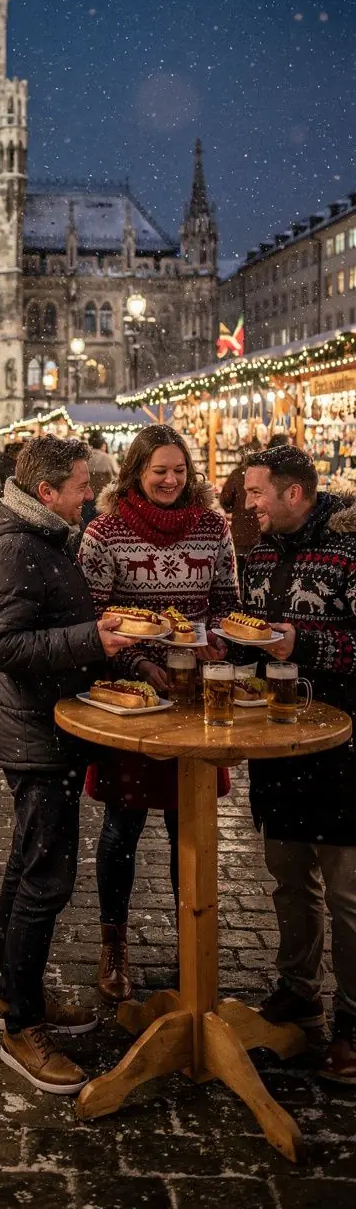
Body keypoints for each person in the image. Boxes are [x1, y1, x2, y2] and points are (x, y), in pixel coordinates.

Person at [0, 435, 134, 1094]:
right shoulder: (18, 542)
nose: (89, 495)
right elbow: (0, 643)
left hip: (46, 727)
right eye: (80, 485)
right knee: (46, 877)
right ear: (47, 492)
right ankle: (22, 1031)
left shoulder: (40, 530)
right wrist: (92, 638)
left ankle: (17, 996)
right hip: (37, 732)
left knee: (28, 865)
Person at [79, 424, 239, 1003]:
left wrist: (217, 642)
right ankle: (113, 942)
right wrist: (146, 664)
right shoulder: (104, 533)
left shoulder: (212, 528)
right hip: (134, 701)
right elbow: (95, 613)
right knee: (122, 825)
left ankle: (190, 941)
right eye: (159, 472)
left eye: (179, 471)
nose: (171, 481)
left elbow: (225, 604)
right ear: (136, 473)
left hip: (195, 697)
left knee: (188, 824)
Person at [238, 444, 356, 1082]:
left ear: (294, 492)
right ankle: (298, 992)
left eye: (257, 492)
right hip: (278, 739)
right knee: (288, 877)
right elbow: (258, 625)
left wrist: (299, 641)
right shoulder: (261, 549)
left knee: (347, 891)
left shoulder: (348, 544)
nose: (249, 504)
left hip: (343, 745)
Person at [219, 434, 288, 572]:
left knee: (241, 576)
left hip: (242, 535)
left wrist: (237, 509)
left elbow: (225, 500)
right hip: (265, 535)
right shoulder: (271, 475)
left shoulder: (238, 474)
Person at [86, 431, 119, 502]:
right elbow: (117, 475)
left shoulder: (85, 458)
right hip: (103, 499)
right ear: (103, 445)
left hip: (87, 497)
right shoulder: (108, 458)